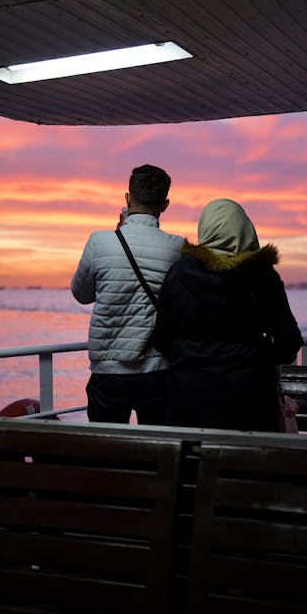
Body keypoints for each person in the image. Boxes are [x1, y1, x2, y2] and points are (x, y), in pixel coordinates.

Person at [151, 198, 303, 431]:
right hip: (250, 406)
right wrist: (259, 356)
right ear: (246, 229)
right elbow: (289, 342)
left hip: (188, 405)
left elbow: (160, 340)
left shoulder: (179, 274)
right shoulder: (263, 276)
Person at [71, 164, 184, 423]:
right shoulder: (177, 248)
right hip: (157, 371)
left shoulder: (99, 241)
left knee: (106, 450)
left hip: (109, 373)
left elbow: (81, 293)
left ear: (127, 198)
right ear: (164, 205)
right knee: (159, 451)